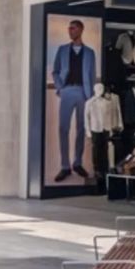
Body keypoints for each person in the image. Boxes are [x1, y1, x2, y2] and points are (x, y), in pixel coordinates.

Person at [51, 19, 96, 182]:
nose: (70, 31)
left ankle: (77, 163)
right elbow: (55, 71)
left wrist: (90, 95)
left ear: (81, 30)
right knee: (63, 128)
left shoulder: (89, 53)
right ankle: (65, 166)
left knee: (81, 128)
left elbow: (92, 75)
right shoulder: (62, 50)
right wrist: (60, 88)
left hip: (83, 92)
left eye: (73, 28)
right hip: (67, 90)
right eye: (69, 28)